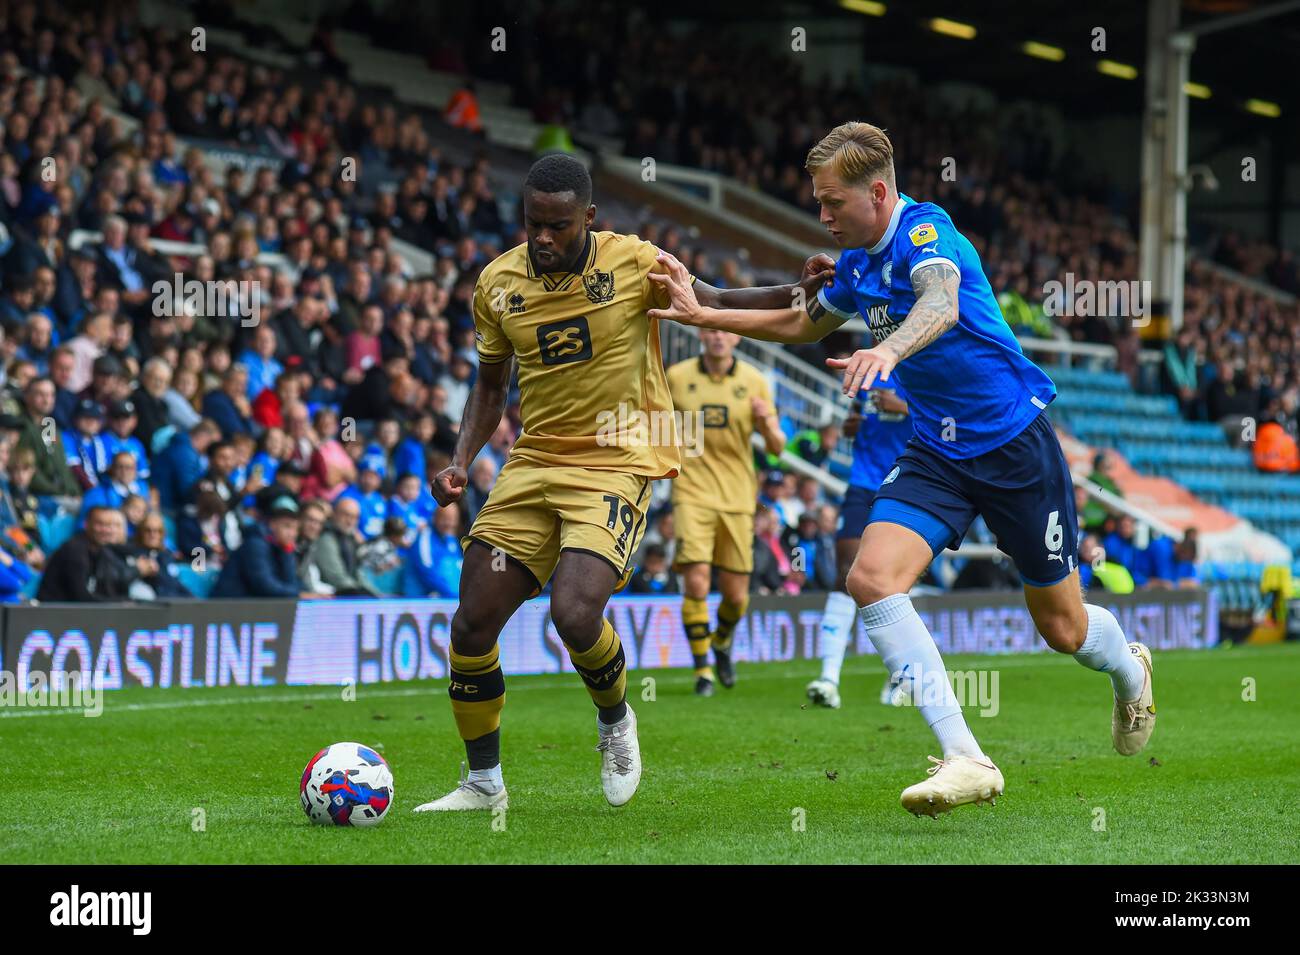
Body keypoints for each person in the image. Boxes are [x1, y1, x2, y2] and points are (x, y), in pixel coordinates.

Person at [647, 121, 1155, 817]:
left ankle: (1130, 668)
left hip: (1013, 444)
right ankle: (966, 755)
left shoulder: (925, 233)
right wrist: (702, 303)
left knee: (1064, 630)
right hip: (936, 450)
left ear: (878, 193)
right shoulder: (855, 262)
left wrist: (891, 352)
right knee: (870, 576)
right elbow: (804, 319)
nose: (822, 216)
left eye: (832, 203)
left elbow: (940, 302)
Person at [413, 155, 680, 813]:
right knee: (472, 622)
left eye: (559, 226)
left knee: (575, 611)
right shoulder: (498, 283)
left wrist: (802, 293)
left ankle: (616, 718)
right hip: (533, 462)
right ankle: (483, 783)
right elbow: (488, 384)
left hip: (615, 460)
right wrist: (459, 457)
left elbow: (714, 300)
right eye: (534, 223)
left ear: (588, 218)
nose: (543, 238)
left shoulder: (633, 261)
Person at [666, 327, 785, 696]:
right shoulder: (677, 377)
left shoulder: (754, 381)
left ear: (736, 339)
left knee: (736, 596)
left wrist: (766, 423)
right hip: (691, 492)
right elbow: (656, 425)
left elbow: (777, 447)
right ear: (701, 334)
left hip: (737, 497)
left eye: (726, 331)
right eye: (712, 330)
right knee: (697, 581)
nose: (718, 337)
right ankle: (703, 671)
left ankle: (721, 642)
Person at [806, 386, 912, 709]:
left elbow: (949, 417)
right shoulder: (867, 371)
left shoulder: (923, 360)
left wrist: (905, 408)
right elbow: (856, 420)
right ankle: (829, 679)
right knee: (846, 572)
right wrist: (853, 427)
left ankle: (899, 676)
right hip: (863, 482)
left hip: (908, 482)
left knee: (899, 582)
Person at [37, 505, 156, 602]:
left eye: (110, 525)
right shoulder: (75, 551)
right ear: (86, 525)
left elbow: (107, 591)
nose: (107, 530)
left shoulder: (103, 551)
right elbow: (81, 598)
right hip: (54, 618)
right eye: (100, 524)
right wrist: (121, 603)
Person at [212, 495, 316, 599]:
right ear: (272, 524)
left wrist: (287, 552)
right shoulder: (255, 544)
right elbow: (265, 586)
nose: (292, 534)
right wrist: (299, 594)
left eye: (295, 529)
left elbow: (290, 582)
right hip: (228, 606)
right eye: (287, 526)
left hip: (251, 607)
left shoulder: (280, 546)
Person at [312, 496, 382, 597]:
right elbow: (336, 577)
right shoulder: (326, 538)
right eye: (346, 515)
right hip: (330, 599)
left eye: (355, 517)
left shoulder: (350, 538)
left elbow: (358, 573)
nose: (350, 521)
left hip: (348, 594)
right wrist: (361, 593)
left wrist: (375, 595)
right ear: (334, 514)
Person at [402, 503, 464, 598]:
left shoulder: (450, 539)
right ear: (435, 518)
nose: (449, 523)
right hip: (419, 599)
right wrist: (452, 594)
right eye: (444, 519)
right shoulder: (424, 537)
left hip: (446, 597)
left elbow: (459, 566)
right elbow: (427, 570)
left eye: (452, 520)